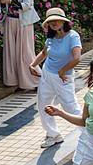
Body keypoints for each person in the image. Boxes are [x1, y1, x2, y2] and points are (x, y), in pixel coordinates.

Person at [29, 8, 81, 148]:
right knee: (44, 105)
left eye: (57, 20)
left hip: (63, 77)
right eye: (51, 21)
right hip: (47, 74)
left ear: (63, 22)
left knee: (70, 107)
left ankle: (89, 133)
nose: (54, 23)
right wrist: (33, 64)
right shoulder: (51, 38)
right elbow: (44, 53)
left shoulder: (73, 36)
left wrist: (62, 70)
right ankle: (53, 135)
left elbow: (77, 58)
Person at [0, 0, 40, 91]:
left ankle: (35, 81)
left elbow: (26, 5)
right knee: (11, 52)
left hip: (23, 22)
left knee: (25, 52)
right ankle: (18, 82)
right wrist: (1, 1)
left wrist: (8, 1)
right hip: (9, 20)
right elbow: (4, 5)